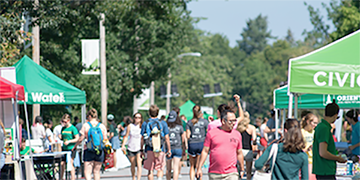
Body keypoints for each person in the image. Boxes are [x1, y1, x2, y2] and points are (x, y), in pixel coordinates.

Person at [196, 109, 244, 180]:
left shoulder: (237, 134)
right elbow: (205, 151)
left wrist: (242, 169)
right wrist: (199, 168)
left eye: (235, 121)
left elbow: (239, 153)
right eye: (231, 121)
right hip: (214, 173)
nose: (233, 123)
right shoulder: (211, 133)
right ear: (223, 121)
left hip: (231, 173)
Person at [313, 100, 347, 180]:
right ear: (335, 115)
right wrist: (337, 158)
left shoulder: (322, 127)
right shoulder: (324, 128)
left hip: (323, 170)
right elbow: (323, 152)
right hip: (325, 170)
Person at [73, 108, 107, 180]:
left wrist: (75, 146)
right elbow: (105, 139)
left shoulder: (86, 125)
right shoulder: (102, 126)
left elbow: (81, 138)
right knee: (96, 172)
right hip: (100, 150)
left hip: (89, 150)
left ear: (89, 116)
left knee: (87, 172)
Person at [140, 105, 171, 180]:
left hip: (149, 149)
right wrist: (169, 149)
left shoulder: (145, 123)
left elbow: (142, 138)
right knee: (160, 168)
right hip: (160, 149)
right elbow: (166, 138)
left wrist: (141, 150)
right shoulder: (163, 123)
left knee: (150, 171)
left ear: (149, 113)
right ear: (158, 113)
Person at [186, 105, 209, 180]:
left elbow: (188, 135)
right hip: (201, 144)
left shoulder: (189, 122)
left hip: (192, 144)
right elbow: (208, 133)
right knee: (199, 166)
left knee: (192, 166)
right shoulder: (205, 122)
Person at [121, 113, 143, 180]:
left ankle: (138, 178)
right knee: (133, 164)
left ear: (141, 119)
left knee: (139, 164)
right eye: (136, 117)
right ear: (133, 118)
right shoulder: (130, 126)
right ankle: (133, 177)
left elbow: (143, 137)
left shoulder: (142, 126)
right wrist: (123, 145)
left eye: (139, 118)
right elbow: (126, 136)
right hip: (131, 147)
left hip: (139, 147)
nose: (137, 119)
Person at [166, 110, 186, 180]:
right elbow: (183, 139)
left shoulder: (166, 127)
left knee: (168, 169)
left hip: (168, 149)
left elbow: (165, 138)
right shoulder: (180, 127)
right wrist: (184, 149)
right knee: (176, 168)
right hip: (178, 148)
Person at [237, 111, 257, 180]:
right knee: (248, 172)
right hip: (248, 150)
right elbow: (254, 139)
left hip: (239, 150)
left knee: (239, 171)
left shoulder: (238, 127)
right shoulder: (252, 128)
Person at [60, 114, 79, 180]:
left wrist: (69, 141)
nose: (64, 123)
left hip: (71, 148)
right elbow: (62, 137)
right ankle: (61, 178)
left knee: (70, 163)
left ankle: (72, 178)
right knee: (62, 163)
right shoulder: (63, 128)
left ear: (69, 120)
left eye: (65, 122)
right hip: (64, 148)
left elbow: (77, 138)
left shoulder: (73, 128)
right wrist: (60, 137)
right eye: (63, 121)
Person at [301, 112, 319, 180]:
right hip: (306, 161)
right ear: (308, 122)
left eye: (317, 123)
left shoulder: (315, 132)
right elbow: (298, 149)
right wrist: (307, 149)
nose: (315, 125)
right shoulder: (302, 132)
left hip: (315, 161)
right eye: (314, 123)